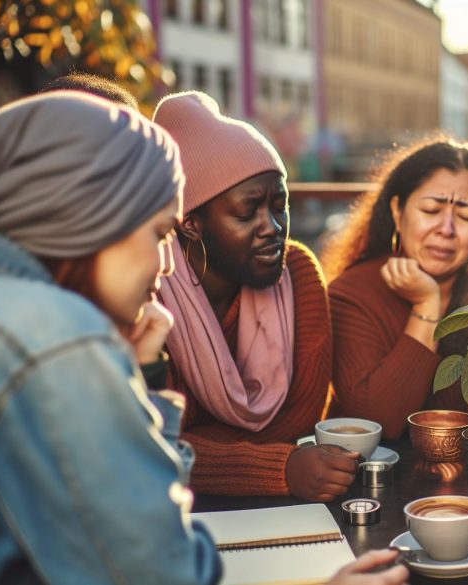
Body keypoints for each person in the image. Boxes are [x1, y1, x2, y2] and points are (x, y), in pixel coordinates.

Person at [0, 91, 220, 584]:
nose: (166, 264)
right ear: (95, 212)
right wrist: (141, 394)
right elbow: (168, 571)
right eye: (160, 233)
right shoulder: (58, 339)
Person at [152, 91, 355, 502]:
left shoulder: (298, 272)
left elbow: (299, 419)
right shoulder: (149, 291)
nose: (273, 227)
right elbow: (149, 443)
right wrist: (276, 467)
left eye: (279, 206)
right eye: (248, 212)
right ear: (191, 224)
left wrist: (198, 448)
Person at [322, 138, 468, 440]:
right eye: (431, 210)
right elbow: (378, 421)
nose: (446, 229)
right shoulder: (352, 293)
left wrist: (423, 418)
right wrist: (426, 305)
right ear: (398, 211)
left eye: (466, 216)